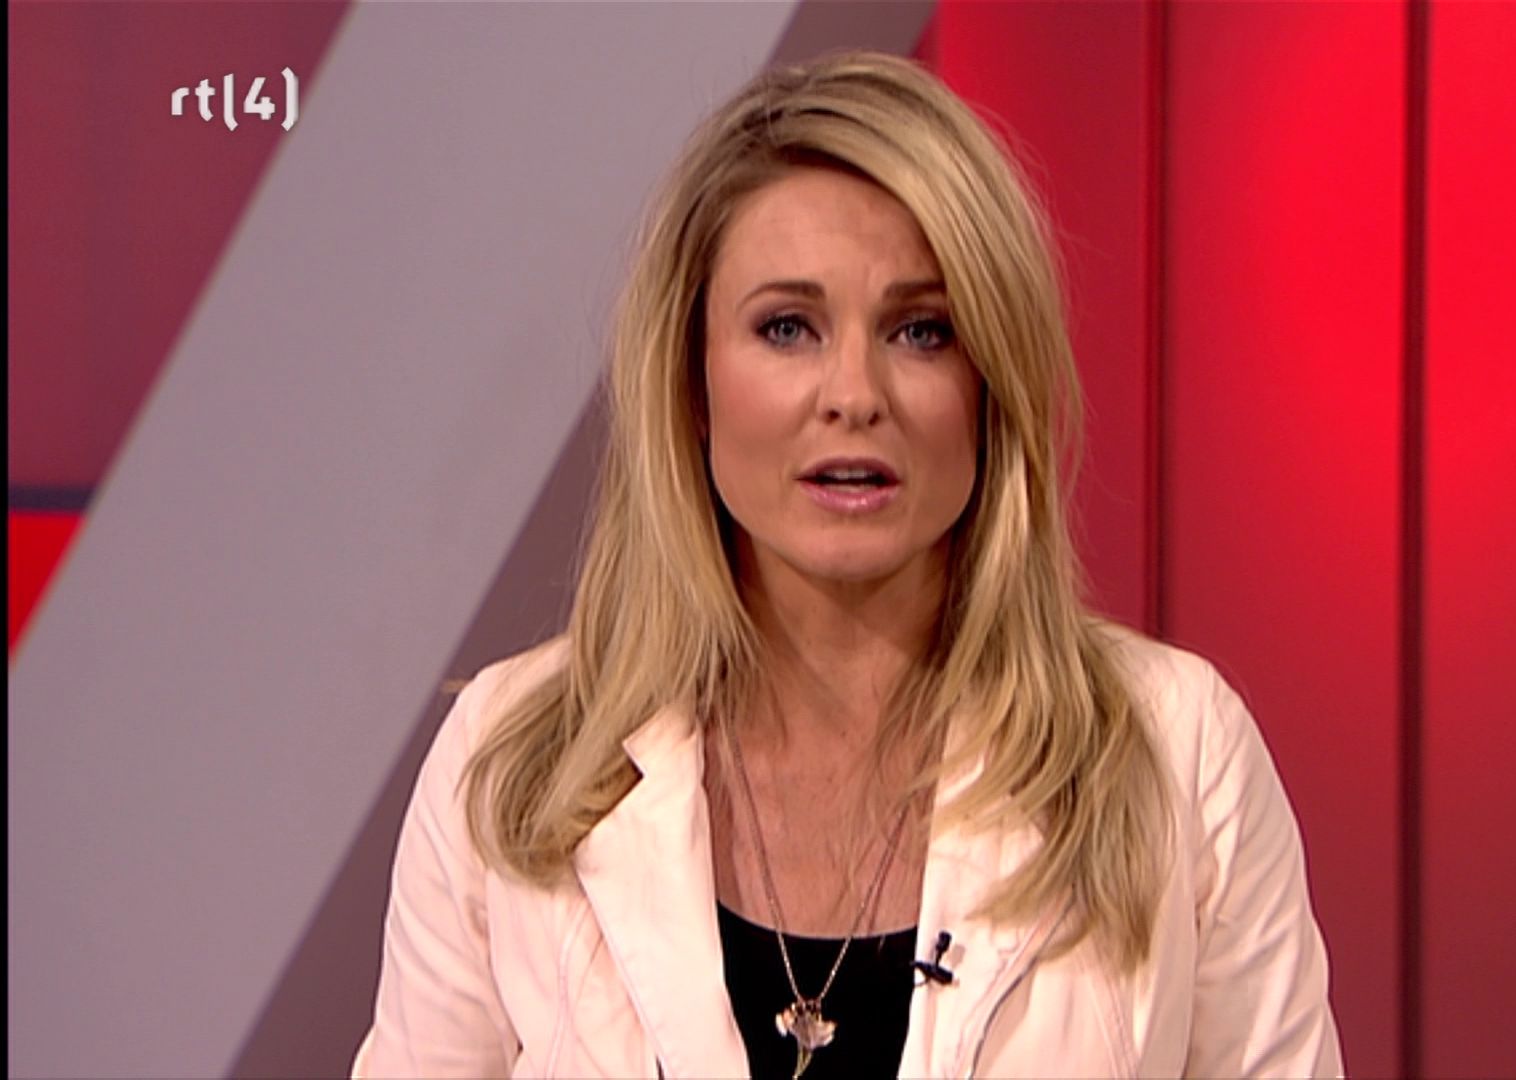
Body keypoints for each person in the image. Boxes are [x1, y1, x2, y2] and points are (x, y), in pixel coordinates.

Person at [353, 49, 1343, 1079]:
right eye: (788, 328)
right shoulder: (512, 766)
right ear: (692, 384)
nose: (855, 395)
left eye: (921, 331)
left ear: (990, 385)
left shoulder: (1177, 757)